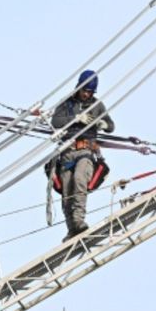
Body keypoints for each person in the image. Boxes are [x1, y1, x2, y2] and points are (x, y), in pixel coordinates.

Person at [49, 70, 115, 236]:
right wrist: (76, 118)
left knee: (80, 179)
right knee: (67, 190)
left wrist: (102, 124)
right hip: (66, 152)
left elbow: (111, 126)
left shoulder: (97, 105)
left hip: (85, 151)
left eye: (90, 92)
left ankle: (79, 220)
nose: (86, 94)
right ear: (78, 87)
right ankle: (72, 228)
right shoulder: (66, 103)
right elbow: (55, 122)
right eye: (84, 90)